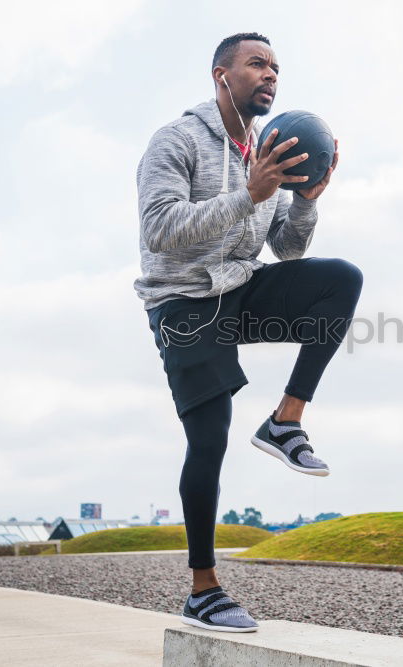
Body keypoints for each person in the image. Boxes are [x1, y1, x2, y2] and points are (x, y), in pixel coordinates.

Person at [133, 32, 363, 632]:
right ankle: (203, 589)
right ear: (221, 76)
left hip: (240, 286)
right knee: (209, 440)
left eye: (276, 68)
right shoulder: (176, 140)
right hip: (183, 303)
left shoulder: (268, 149)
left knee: (340, 279)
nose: (270, 76)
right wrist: (247, 194)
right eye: (257, 64)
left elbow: (287, 249)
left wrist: (306, 199)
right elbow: (158, 230)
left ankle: (286, 421)